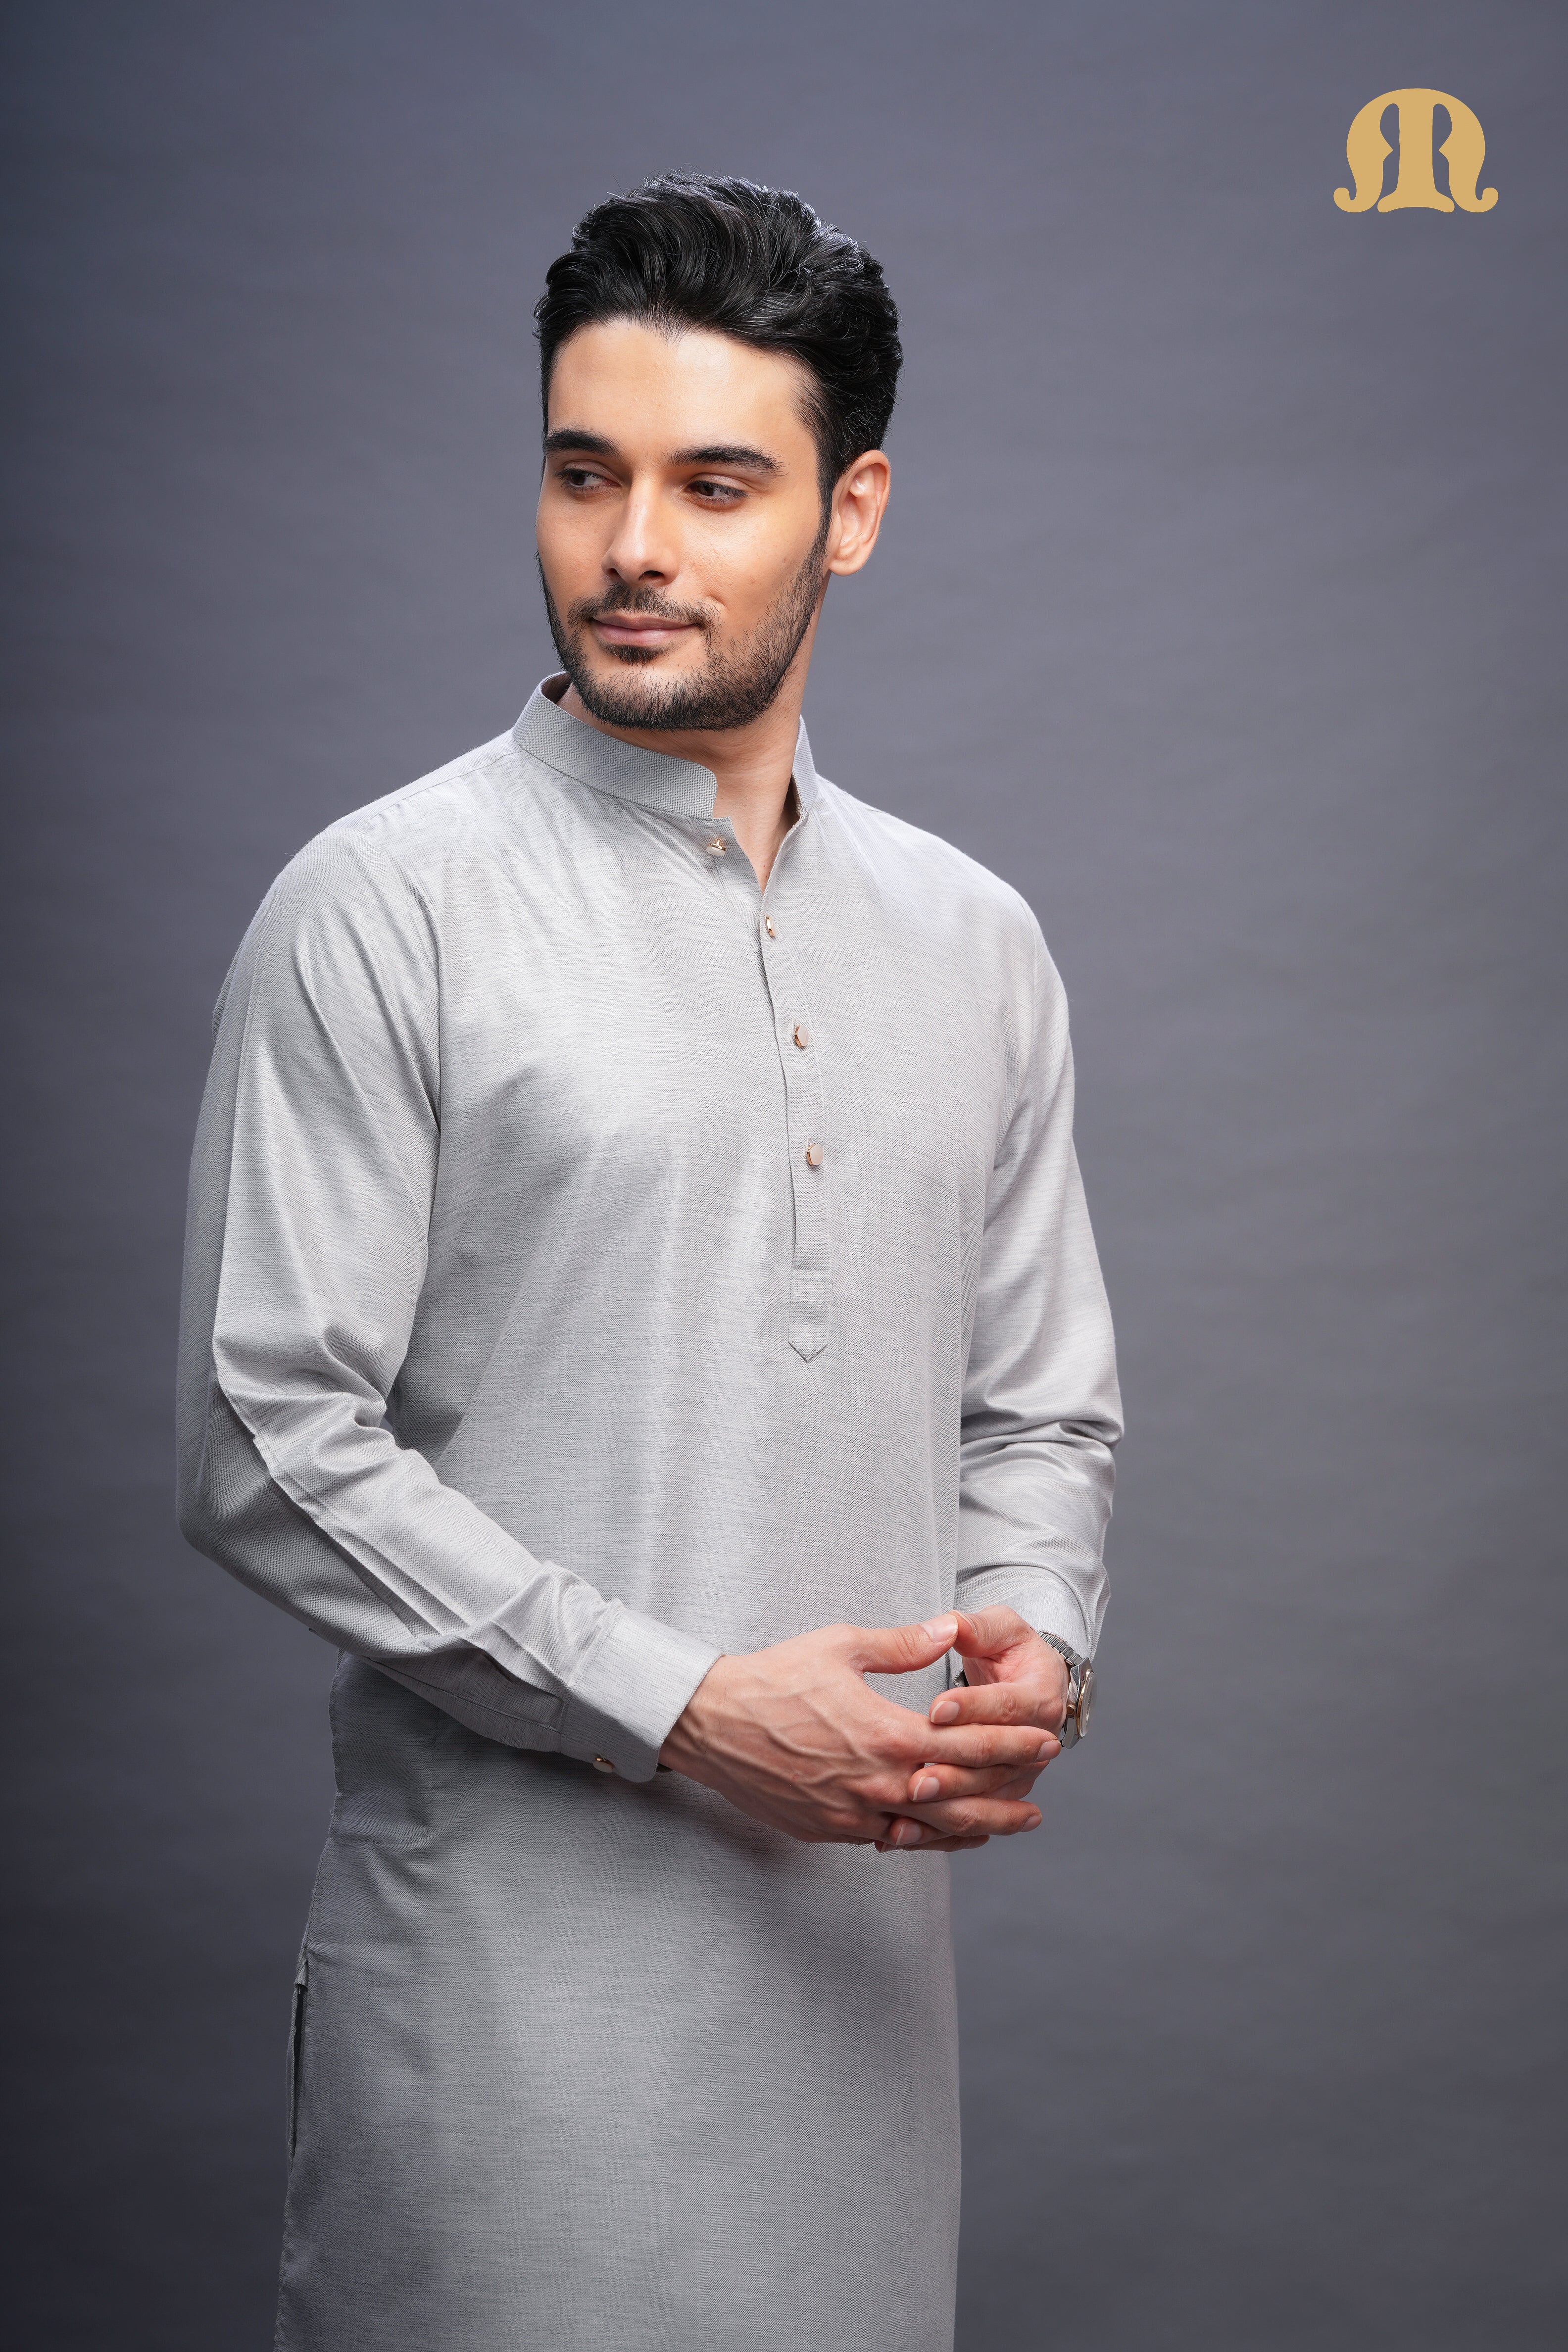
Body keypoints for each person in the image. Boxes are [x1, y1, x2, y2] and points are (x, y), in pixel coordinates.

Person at [177, 172, 1121, 2352]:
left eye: (714, 485)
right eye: (584, 472)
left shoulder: (976, 942)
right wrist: (681, 1706)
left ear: (851, 511)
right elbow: (261, 1433)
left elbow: (1038, 1407)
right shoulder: (383, 905)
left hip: (856, 2029)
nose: (631, 548)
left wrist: (1041, 1644)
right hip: (503, 2039)